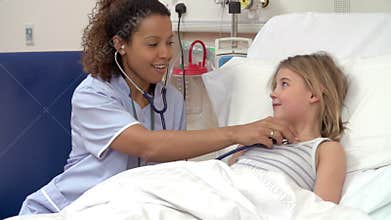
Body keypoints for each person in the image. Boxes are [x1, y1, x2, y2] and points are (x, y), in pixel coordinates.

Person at [19, 0, 296, 215]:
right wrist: (236, 133)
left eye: (169, 43)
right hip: (70, 207)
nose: (165, 53)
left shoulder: (170, 99)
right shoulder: (94, 94)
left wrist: (229, 167)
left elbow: (170, 171)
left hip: (127, 209)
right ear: (121, 44)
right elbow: (148, 145)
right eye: (152, 44)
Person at [229, 52, 348, 204]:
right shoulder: (255, 137)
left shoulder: (325, 150)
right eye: (275, 86)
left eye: (284, 84)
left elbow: (322, 211)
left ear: (313, 94)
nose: (273, 93)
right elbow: (225, 175)